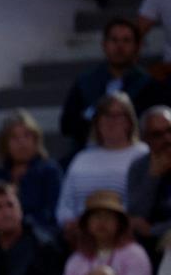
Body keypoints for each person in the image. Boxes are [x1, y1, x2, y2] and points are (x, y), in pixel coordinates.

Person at [57, 92, 150, 238]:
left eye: (117, 115)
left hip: (124, 235)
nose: (111, 121)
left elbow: (143, 199)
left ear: (129, 121)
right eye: (105, 115)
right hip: (80, 236)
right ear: (97, 121)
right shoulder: (81, 157)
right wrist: (68, 222)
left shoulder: (142, 154)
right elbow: (65, 203)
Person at [62, 18, 156, 154]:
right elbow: (67, 124)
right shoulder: (85, 82)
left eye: (126, 41)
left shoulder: (149, 85)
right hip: (90, 151)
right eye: (114, 40)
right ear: (104, 44)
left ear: (137, 46)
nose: (119, 46)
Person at [0, 109, 63, 234]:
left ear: (36, 140)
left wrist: (18, 223)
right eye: (14, 138)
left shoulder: (49, 171)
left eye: (27, 136)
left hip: (39, 232)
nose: (22, 143)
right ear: (5, 144)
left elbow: (52, 212)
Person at [128, 106, 171, 251]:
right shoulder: (139, 167)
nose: (167, 139)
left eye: (170, 130)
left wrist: (153, 231)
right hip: (147, 245)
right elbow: (135, 215)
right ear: (145, 139)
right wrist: (152, 177)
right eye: (157, 134)